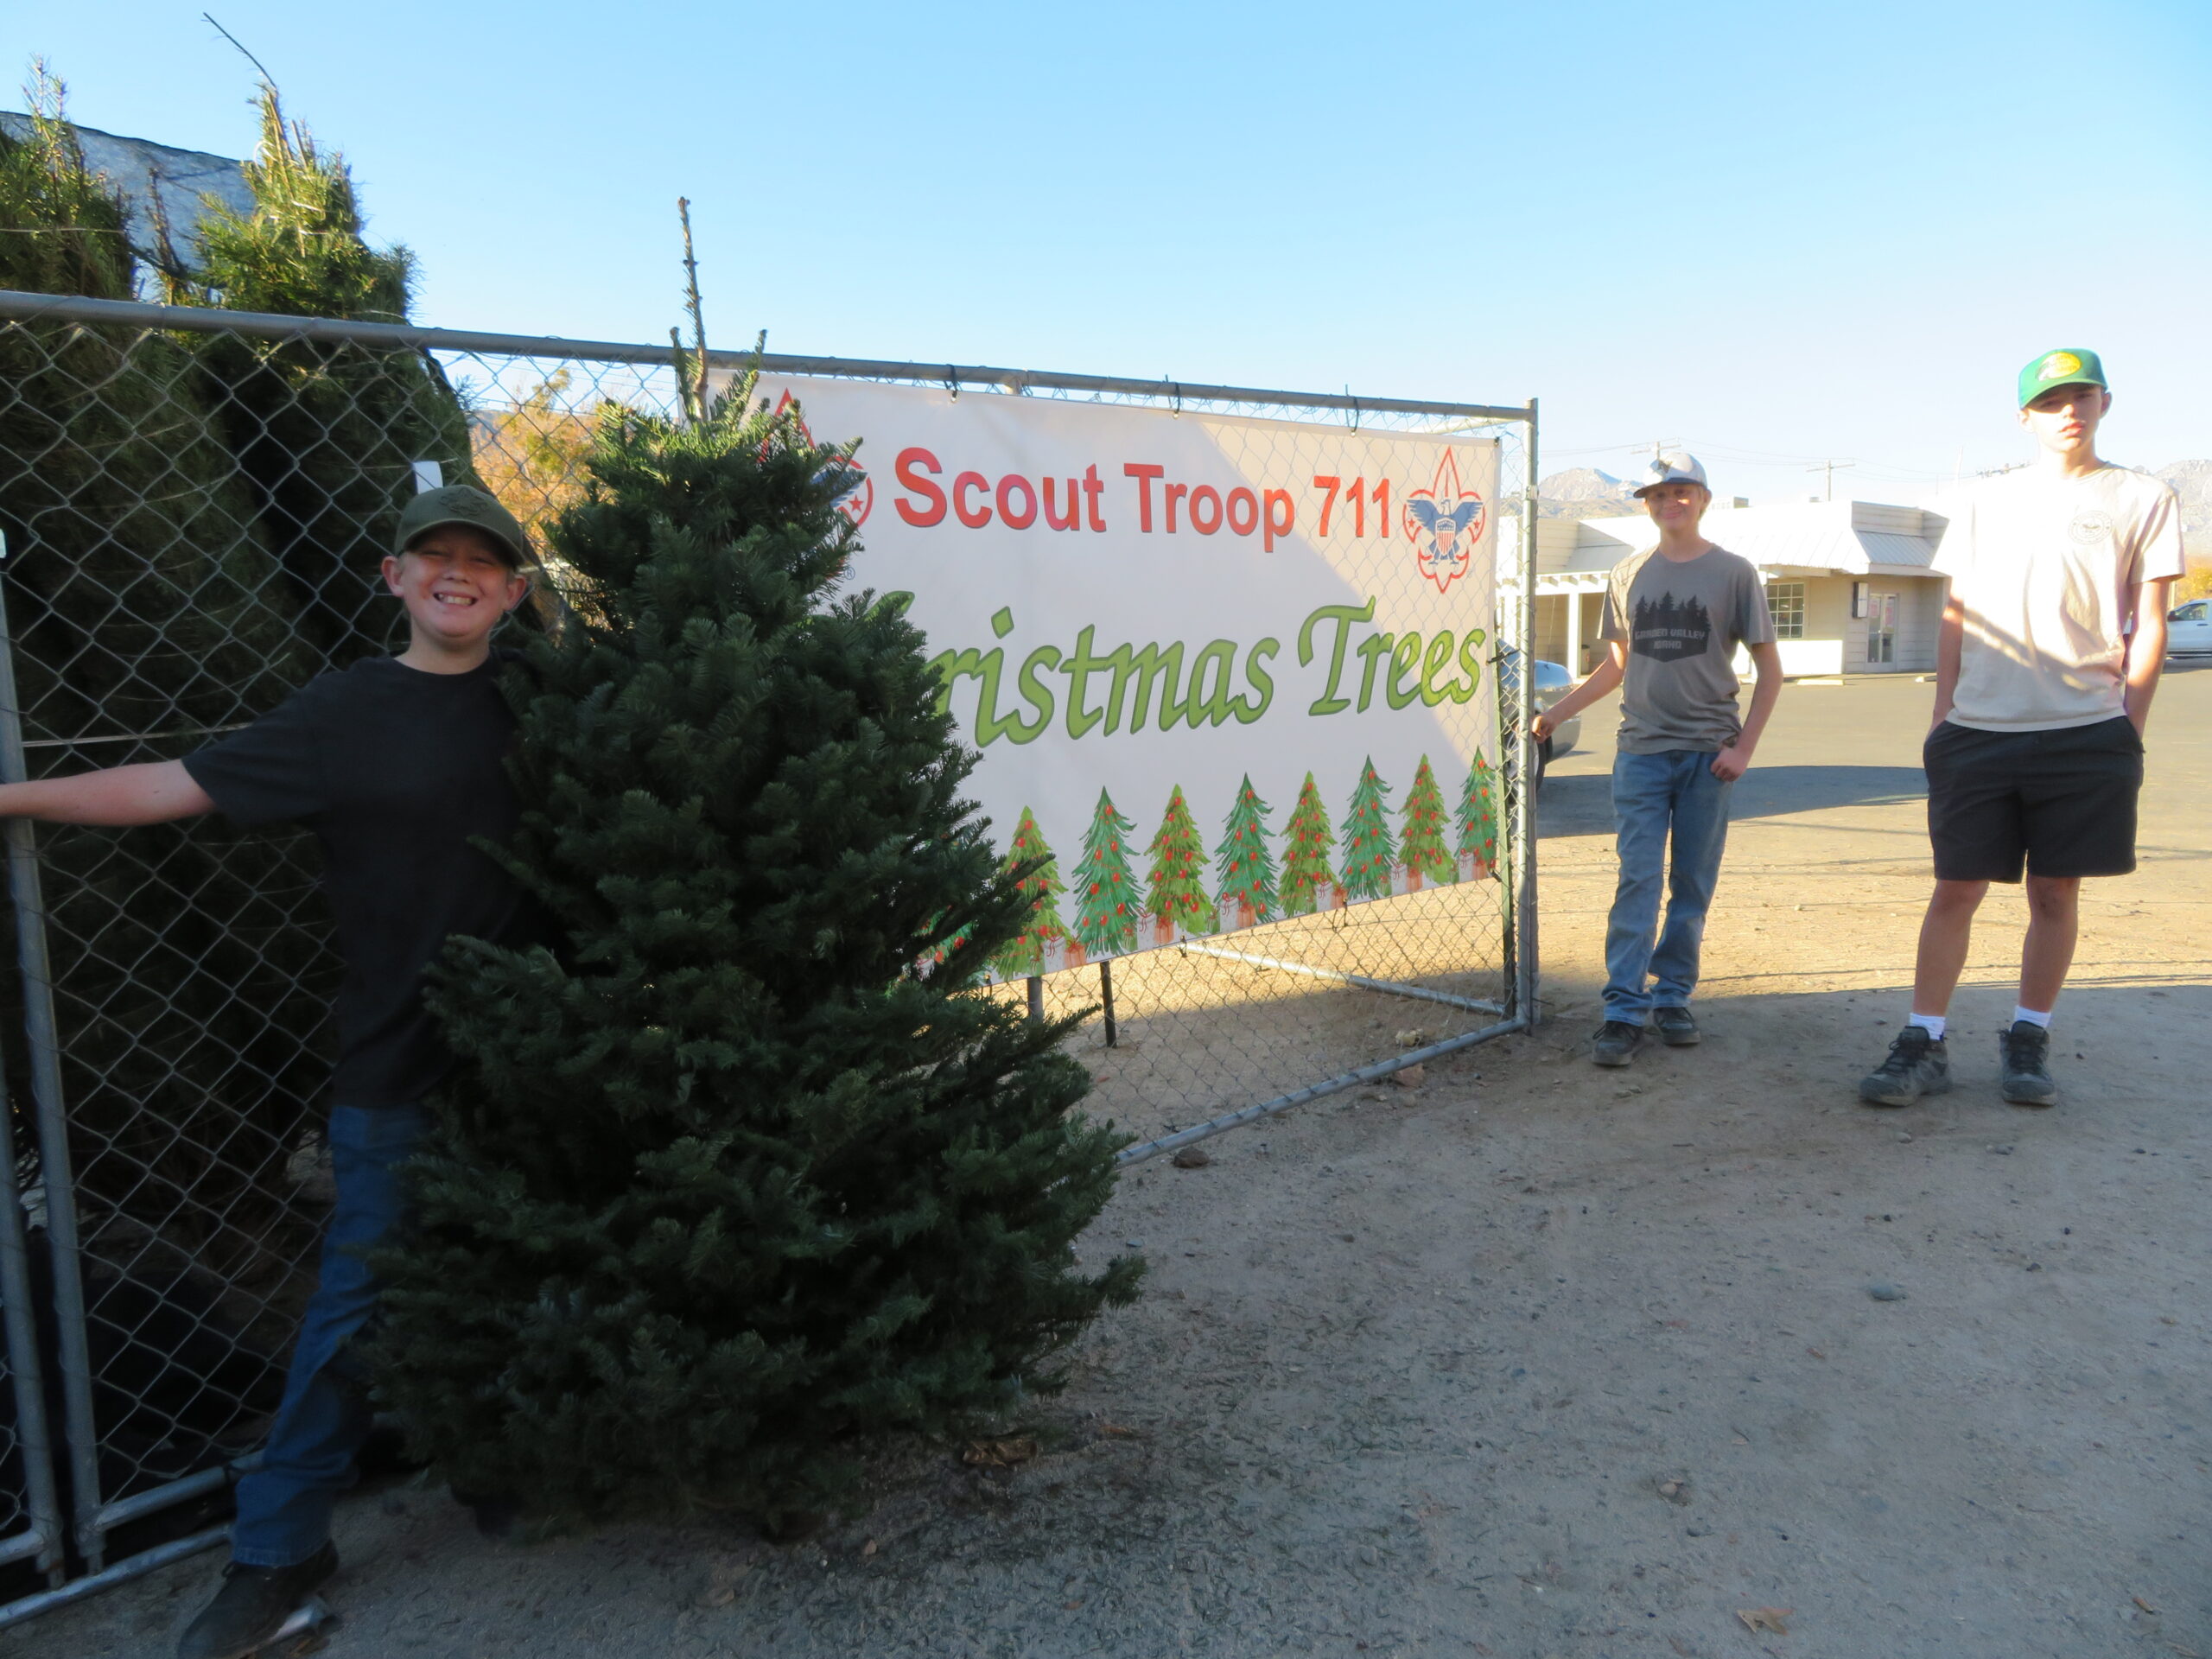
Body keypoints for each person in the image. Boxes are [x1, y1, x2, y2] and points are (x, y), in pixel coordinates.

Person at [0, 486, 539, 1659]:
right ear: (393, 577)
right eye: (434, 558)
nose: (458, 575)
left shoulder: (545, 702)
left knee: (516, 1265)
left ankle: (499, 1468)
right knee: (355, 1307)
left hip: (535, 1055)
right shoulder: (345, 712)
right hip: (398, 1061)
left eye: (484, 565)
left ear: (517, 592)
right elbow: (171, 787)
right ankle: (279, 1552)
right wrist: (10, 796)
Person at [1858, 350, 2183, 1109]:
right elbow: (1957, 614)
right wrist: (1942, 718)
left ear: (2106, 401)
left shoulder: (2142, 497)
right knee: (1955, 890)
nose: (2067, 410)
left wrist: (2127, 724)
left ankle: (2028, 1035)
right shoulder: (1982, 502)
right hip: (1978, 731)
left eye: (2081, 395)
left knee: (2056, 894)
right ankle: (1924, 1040)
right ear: (2024, 417)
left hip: (2087, 732)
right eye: (2050, 400)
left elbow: (2154, 622)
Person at [1532, 453, 1783, 1065]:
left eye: (1681, 491)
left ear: (1703, 498)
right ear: (1645, 504)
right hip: (1641, 753)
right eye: (1657, 494)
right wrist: (1556, 713)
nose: (1669, 502)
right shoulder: (1626, 574)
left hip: (1708, 754)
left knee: (1692, 884)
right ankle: (1622, 1009)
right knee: (1638, 879)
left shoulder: (1733, 573)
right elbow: (1616, 667)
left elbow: (1770, 667)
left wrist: (1743, 747)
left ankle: (1673, 996)